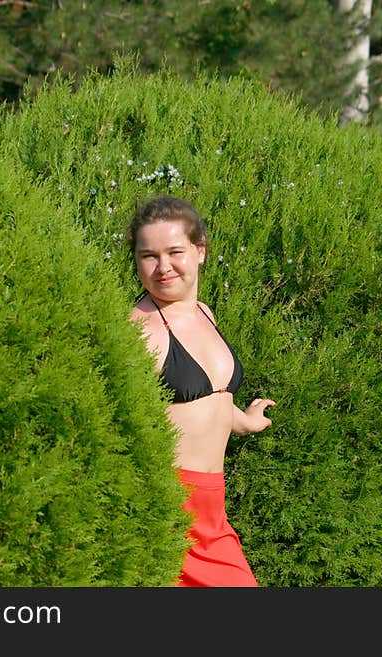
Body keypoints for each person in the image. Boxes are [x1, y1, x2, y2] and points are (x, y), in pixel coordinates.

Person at [126, 194, 276, 587]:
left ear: (200, 251)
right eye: (149, 256)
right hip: (171, 508)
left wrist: (244, 420)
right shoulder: (139, 332)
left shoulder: (204, 313)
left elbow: (211, 399)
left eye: (175, 251)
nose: (163, 267)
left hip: (213, 510)